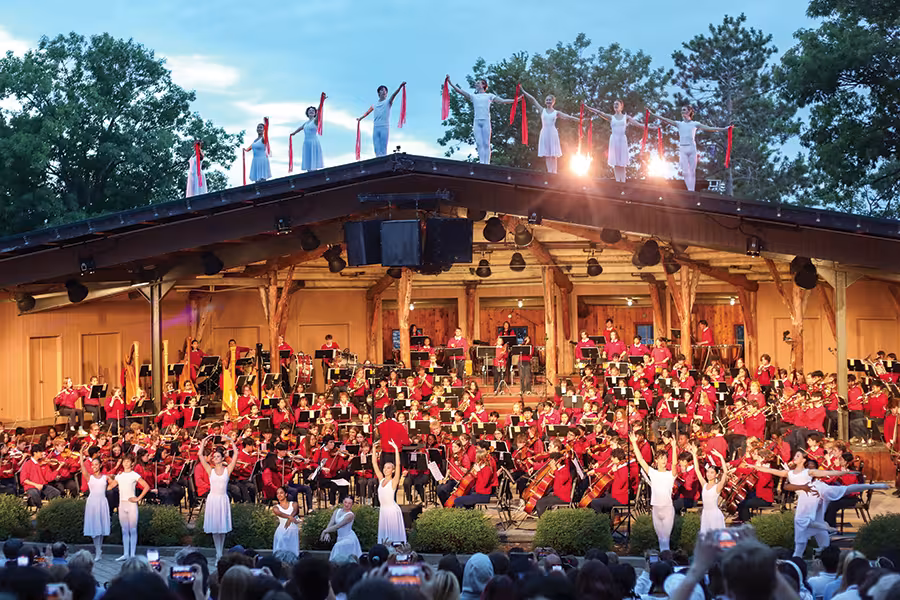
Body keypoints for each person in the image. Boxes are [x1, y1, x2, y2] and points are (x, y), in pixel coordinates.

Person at [650, 105, 732, 192]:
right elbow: (665, 119)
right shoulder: (679, 124)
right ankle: (690, 190)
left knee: (692, 172)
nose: (682, 111)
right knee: (685, 172)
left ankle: (691, 191)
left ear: (689, 111)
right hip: (683, 149)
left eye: (684, 110)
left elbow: (710, 128)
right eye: (681, 110)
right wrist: (653, 114)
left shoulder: (695, 124)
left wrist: (724, 129)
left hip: (692, 148)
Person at [445, 75, 515, 164]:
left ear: (483, 85)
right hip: (477, 121)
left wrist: (516, 100)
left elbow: (502, 101)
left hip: (486, 121)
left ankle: (487, 163)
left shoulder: (489, 96)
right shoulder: (474, 96)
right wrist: (450, 83)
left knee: (486, 143)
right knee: (479, 143)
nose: (476, 84)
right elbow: (460, 91)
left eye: (478, 83)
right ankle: (482, 162)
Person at [585, 99, 656, 182]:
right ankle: (618, 180)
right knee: (616, 161)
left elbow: (639, 125)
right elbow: (600, 113)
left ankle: (623, 180)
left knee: (622, 161)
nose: (615, 105)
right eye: (614, 104)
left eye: (617, 104)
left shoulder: (626, 117)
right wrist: (587, 107)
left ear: (621, 106)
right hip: (614, 139)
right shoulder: (611, 117)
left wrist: (652, 128)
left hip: (622, 140)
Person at [630, 431, 677, 551]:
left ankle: (666, 557)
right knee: (660, 538)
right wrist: (634, 443)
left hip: (667, 508)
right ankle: (663, 557)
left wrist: (674, 447)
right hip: (656, 508)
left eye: (665, 458)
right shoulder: (653, 473)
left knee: (666, 538)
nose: (664, 461)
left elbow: (675, 464)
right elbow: (641, 460)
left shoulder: (670, 474)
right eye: (661, 459)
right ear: (656, 460)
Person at [520, 90, 580, 174]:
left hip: (552, 133)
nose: (548, 101)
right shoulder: (542, 110)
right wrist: (522, 90)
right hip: (544, 133)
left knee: (553, 154)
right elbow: (533, 100)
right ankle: (549, 172)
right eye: (547, 100)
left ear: (553, 102)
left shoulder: (556, 112)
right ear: (545, 101)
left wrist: (579, 120)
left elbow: (567, 117)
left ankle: (554, 172)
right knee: (547, 154)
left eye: (550, 100)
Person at [198, 435, 239, 559]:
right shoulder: (210, 470)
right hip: (213, 500)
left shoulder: (227, 470)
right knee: (215, 528)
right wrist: (203, 442)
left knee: (222, 528)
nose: (215, 458)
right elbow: (200, 455)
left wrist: (231, 441)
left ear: (222, 458)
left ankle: (220, 551)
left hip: (222, 499)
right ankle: (219, 553)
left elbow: (236, 455)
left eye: (217, 456)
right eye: (214, 456)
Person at [108, 454, 150, 561]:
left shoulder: (134, 475)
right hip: (122, 504)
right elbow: (110, 486)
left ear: (132, 463)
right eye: (124, 461)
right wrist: (107, 478)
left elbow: (146, 486)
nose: (126, 463)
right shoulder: (119, 476)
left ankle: (132, 554)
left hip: (131, 504)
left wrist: (138, 498)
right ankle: (126, 553)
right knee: (124, 530)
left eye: (128, 461)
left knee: (133, 529)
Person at [77, 445, 110, 560]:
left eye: (96, 464)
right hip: (93, 503)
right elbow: (82, 466)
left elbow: (114, 482)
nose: (94, 466)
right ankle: (98, 550)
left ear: (100, 465)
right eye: (93, 465)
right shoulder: (89, 477)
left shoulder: (105, 477)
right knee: (95, 527)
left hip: (102, 502)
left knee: (101, 527)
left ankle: (99, 549)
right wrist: (81, 453)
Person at [357, 83, 406, 157]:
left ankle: (383, 162)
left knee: (383, 148)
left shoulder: (388, 102)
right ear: (378, 93)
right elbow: (367, 113)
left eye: (385, 91)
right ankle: (378, 161)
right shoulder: (374, 105)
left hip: (384, 127)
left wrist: (400, 87)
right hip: (376, 127)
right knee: (376, 148)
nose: (384, 92)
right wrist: (360, 118)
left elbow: (394, 95)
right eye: (382, 90)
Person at [373, 440, 406, 544]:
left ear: (393, 470)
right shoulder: (381, 479)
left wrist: (396, 449)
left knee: (393, 539)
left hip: (392, 511)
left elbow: (398, 464)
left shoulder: (393, 482)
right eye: (384, 467)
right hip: (383, 511)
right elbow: (374, 463)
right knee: (384, 540)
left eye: (388, 468)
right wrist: (374, 448)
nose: (385, 469)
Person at [689, 444, 728, 532]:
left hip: (715, 515)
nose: (709, 474)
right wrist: (694, 455)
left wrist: (721, 457)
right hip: (705, 514)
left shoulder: (717, 487)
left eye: (712, 472)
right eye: (708, 472)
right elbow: (697, 470)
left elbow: (725, 473)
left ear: (716, 475)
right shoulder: (704, 485)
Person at [320, 495, 362, 563]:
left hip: (349, 538)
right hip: (340, 538)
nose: (346, 505)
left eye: (349, 503)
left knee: (337, 547)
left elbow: (338, 526)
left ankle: (333, 565)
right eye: (345, 502)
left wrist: (324, 531)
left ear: (352, 505)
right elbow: (331, 522)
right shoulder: (337, 511)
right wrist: (327, 532)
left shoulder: (350, 515)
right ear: (343, 502)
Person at [291, 106, 324, 172]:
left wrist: (321, 103)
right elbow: (300, 128)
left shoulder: (315, 121)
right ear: (307, 113)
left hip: (313, 142)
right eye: (309, 110)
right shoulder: (306, 123)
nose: (311, 111)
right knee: (308, 158)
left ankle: (314, 172)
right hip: (306, 142)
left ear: (315, 113)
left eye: (313, 110)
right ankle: (309, 172)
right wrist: (293, 133)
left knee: (313, 158)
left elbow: (319, 112)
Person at [271, 486, 300, 555]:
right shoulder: (276, 507)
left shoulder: (293, 504)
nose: (279, 495)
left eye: (281, 493)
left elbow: (295, 511)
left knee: (293, 553)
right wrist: (289, 518)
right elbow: (279, 513)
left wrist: (289, 519)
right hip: (282, 531)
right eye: (277, 493)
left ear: (286, 494)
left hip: (293, 532)